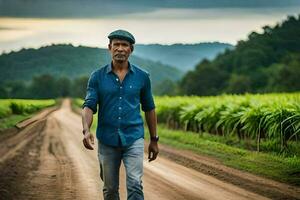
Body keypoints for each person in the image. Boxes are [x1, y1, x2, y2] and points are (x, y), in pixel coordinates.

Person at [81, 29, 159, 200]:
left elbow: (149, 108)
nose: (120, 48)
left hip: (134, 138)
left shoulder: (142, 77)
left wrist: (154, 140)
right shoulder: (97, 77)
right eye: (116, 45)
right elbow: (89, 106)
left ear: (131, 49)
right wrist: (86, 130)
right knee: (110, 189)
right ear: (109, 48)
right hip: (107, 140)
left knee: (135, 184)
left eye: (125, 45)